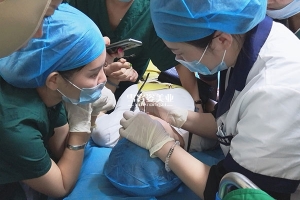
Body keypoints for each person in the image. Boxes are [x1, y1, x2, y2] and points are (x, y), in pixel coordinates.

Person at [119, 0, 300, 199]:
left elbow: (237, 192)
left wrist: (160, 144)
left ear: (221, 41)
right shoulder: (243, 41)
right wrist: (177, 116)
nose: (181, 62)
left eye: (180, 53)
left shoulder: (276, 92)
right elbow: (229, 120)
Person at [0, 4, 110, 199]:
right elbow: (61, 186)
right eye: (94, 74)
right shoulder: (14, 125)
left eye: (103, 69)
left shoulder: (47, 89)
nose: (103, 80)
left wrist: (85, 118)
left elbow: (61, 148)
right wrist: (81, 127)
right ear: (54, 80)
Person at [67, 0, 207, 113]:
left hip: (124, 91)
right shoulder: (79, 5)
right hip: (72, 83)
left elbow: (177, 61)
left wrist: (196, 104)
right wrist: (103, 70)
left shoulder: (151, 11)